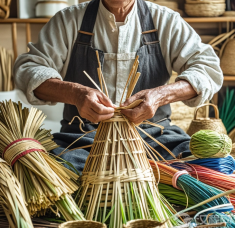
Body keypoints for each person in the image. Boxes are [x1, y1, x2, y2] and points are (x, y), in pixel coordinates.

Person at [14, 0, 223, 173]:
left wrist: (161, 95)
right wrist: (76, 94)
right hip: (82, 138)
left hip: (154, 138)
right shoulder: (68, 21)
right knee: (47, 173)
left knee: (202, 169)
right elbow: (28, 70)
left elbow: (208, 69)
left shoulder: (165, 21)